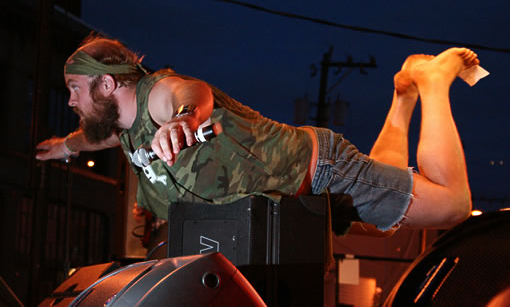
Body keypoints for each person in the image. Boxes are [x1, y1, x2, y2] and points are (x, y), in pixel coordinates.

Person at [35, 34, 478, 236]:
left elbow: (192, 93)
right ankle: (403, 96)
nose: (71, 100)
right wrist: (64, 147)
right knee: (388, 224)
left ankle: (434, 79)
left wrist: (185, 118)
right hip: (292, 201)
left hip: (319, 169)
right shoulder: (125, 130)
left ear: (107, 84)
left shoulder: (158, 96)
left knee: (453, 207)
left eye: (75, 89)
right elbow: (95, 139)